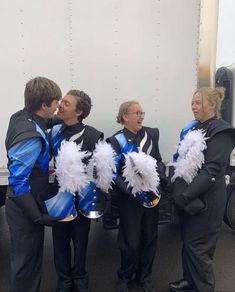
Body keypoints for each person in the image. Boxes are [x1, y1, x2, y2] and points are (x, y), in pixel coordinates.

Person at [168, 87, 235, 292]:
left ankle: (203, 287)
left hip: (206, 200)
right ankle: (190, 281)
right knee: (188, 242)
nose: (193, 106)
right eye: (192, 102)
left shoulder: (222, 131)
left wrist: (186, 195)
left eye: (198, 102)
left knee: (200, 248)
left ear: (212, 105)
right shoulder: (196, 128)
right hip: (190, 199)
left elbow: (211, 170)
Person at [5, 76, 62, 292]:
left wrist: (63, 118)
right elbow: (18, 182)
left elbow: (45, 122)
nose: (58, 107)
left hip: (24, 204)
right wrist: (39, 217)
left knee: (28, 259)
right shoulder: (30, 138)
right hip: (23, 208)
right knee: (25, 264)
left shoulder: (21, 117)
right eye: (56, 103)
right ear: (44, 105)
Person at [107, 101, 167, 292]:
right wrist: (132, 193)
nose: (142, 116)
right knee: (130, 242)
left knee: (150, 238)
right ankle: (125, 276)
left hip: (151, 196)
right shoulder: (115, 141)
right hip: (130, 200)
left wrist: (161, 180)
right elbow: (113, 174)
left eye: (142, 112)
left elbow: (157, 160)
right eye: (137, 112)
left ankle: (144, 276)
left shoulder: (151, 135)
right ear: (125, 116)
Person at [50, 89, 104, 292]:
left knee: (80, 240)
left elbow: (100, 171)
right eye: (61, 101)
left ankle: (80, 275)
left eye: (66, 103)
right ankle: (63, 278)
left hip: (83, 197)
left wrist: (100, 201)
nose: (60, 105)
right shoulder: (54, 131)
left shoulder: (93, 135)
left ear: (79, 111)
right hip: (59, 196)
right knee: (59, 240)